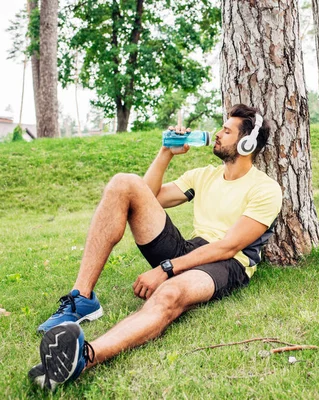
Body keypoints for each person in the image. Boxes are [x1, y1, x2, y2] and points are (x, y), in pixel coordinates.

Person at [28, 104, 283, 391]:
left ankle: (83, 358)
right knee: (124, 183)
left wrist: (166, 269)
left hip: (228, 263)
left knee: (170, 293)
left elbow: (227, 247)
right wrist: (165, 153)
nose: (217, 134)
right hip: (191, 248)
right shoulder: (204, 176)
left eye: (226, 131)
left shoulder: (266, 189)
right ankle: (82, 297)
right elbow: (145, 198)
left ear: (247, 143)